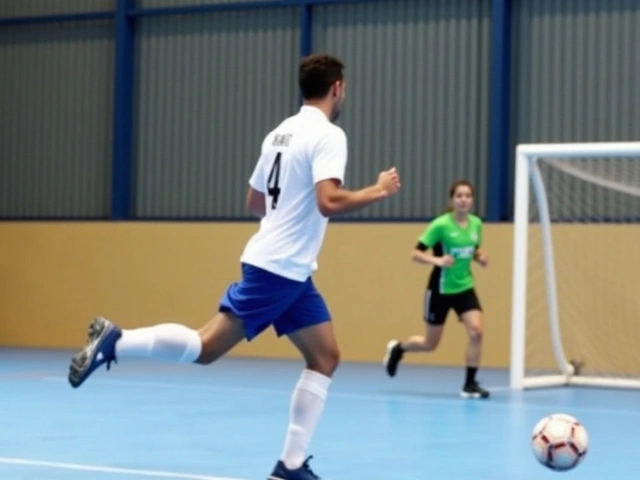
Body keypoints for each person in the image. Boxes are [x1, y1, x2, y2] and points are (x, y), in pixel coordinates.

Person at [67, 53, 401, 480]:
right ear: (337, 87)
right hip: (280, 268)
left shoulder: (279, 133)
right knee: (206, 348)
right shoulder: (329, 135)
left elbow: (254, 201)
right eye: (345, 87)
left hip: (292, 271)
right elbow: (328, 201)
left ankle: (291, 466)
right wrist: (378, 189)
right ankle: (118, 341)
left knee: (326, 356)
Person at [383, 180, 490, 399]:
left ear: (472, 200)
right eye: (459, 196)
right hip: (440, 290)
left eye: (467, 196)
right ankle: (398, 349)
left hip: (464, 288)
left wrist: (480, 257)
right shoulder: (440, 225)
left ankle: (469, 384)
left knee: (477, 331)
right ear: (452, 200)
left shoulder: (476, 224)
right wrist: (438, 260)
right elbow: (415, 254)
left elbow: (473, 249)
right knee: (430, 344)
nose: (463, 199)